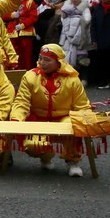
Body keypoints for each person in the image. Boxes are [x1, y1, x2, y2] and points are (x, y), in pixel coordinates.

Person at [10, 44, 92, 177]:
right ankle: (46, 156)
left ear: (58, 61)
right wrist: (16, 118)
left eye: (47, 60)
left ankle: (73, 161)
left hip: (63, 117)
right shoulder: (30, 76)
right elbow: (21, 101)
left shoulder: (72, 80)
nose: (42, 63)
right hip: (38, 118)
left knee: (73, 125)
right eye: (41, 58)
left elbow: (82, 105)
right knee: (32, 144)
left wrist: (87, 120)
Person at [59, 0, 91, 69]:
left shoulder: (85, 8)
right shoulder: (65, 9)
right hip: (68, 37)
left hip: (81, 37)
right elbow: (63, 20)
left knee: (82, 59)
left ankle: (84, 78)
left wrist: (76, 18)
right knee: (68, 59)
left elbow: (87, 20)